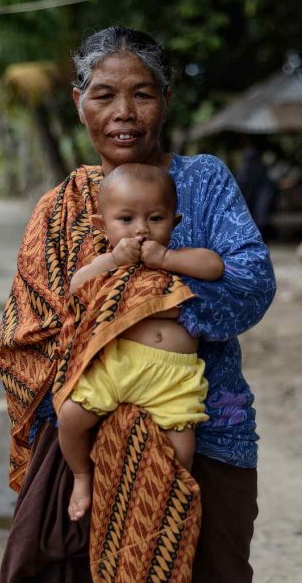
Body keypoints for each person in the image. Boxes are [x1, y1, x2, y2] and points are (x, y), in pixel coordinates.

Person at [0, 27, 275, 583]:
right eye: (104, 95)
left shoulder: (204, 181)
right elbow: (25, 331)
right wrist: (126, 319)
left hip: (204, 427)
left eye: (143, 94)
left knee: (213, 568)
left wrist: (149, 304)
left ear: (165, 103)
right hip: (82, 434)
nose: (124, 111)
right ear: (80, 105)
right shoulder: (60, 208)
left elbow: (251, 286)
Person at [57, 163, 224, 522]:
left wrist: (166, 259)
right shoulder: (109, 262)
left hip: (173, 377)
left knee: (183, 449)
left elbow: (215, 266)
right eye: (126, 219)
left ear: (174, 222)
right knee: (70, 417)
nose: (141, 230)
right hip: (119, 365)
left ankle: (168, 503)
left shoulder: (178, 259)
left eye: (155, 218)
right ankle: (81, 476)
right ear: (103, 225)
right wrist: (115, 259)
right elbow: (76, 287)